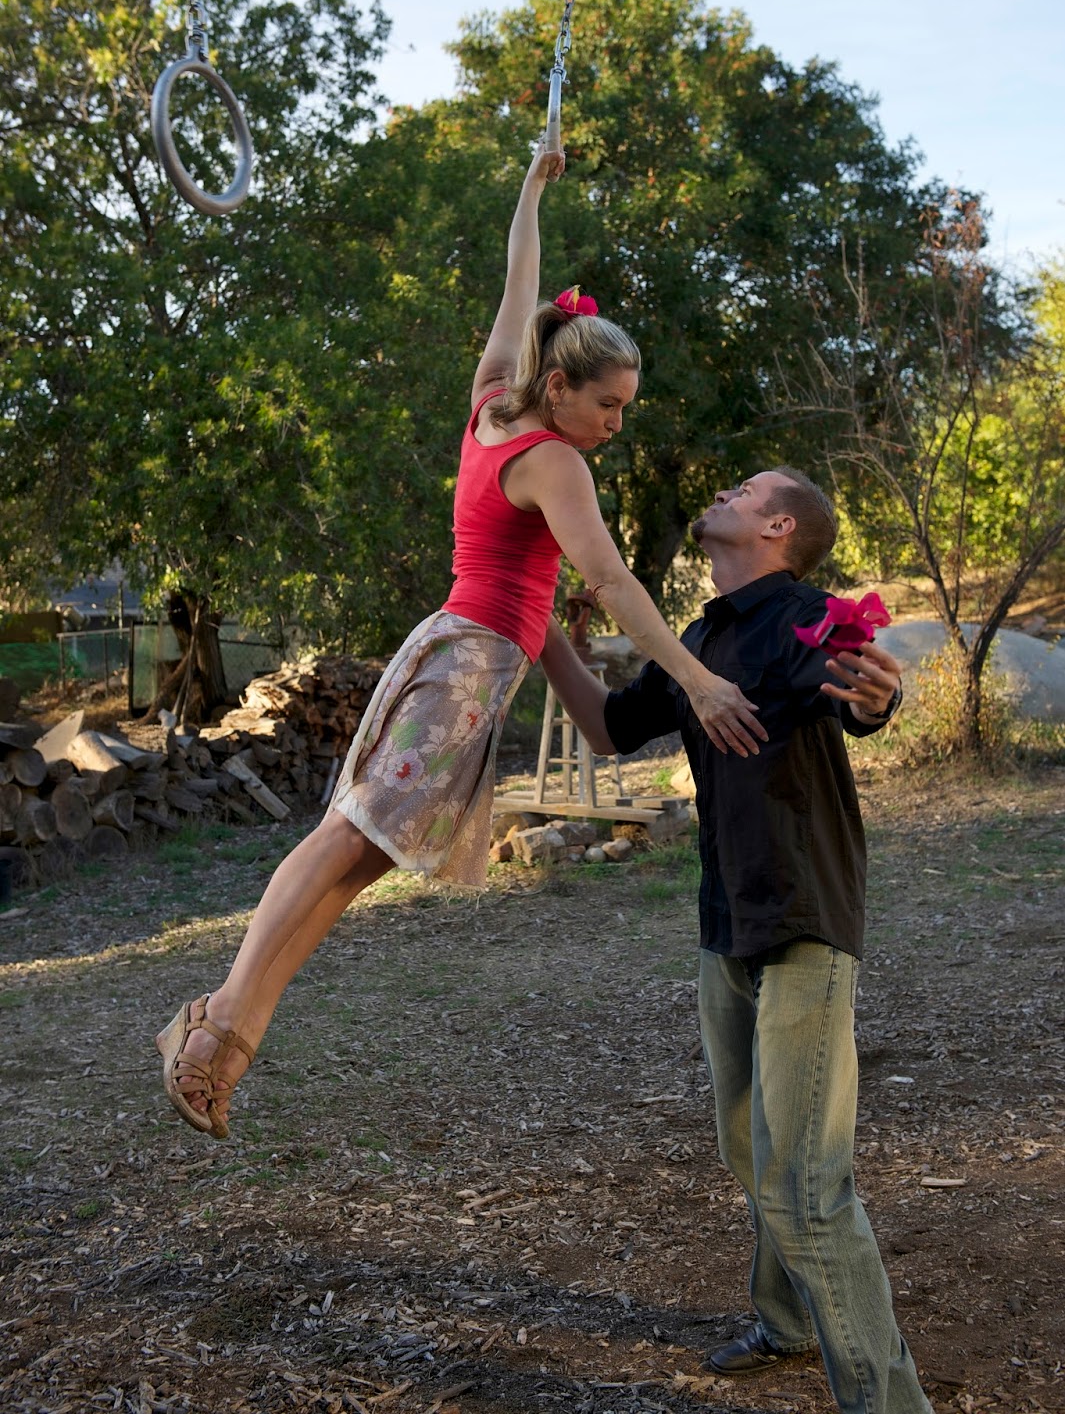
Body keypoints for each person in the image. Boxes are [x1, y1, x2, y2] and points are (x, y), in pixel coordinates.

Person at [156, 141, 767, 1141]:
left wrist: (532, 185)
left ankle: (223, 1036)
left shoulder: (495, 398)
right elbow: (611, 582)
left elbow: (517, 282)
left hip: (459, 658)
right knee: (347, 843)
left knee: (361, 858)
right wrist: (696, 678)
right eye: (608, 404)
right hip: (466, 666)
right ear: (563, 389)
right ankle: (213, 1029)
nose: (616, 424)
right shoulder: (555, 461)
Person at [539, 468, 933, 1414]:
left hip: (802, 920)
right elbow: (602, 728)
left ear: (779, 525)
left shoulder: (807, 616)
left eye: (748, 488)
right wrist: (537, 629)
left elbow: (855, 696)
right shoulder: (699, 642)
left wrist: (878, 697)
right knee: (751, 1150)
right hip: (728, 925)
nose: (723, 489)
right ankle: (789, 1320)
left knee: (804, 1181)